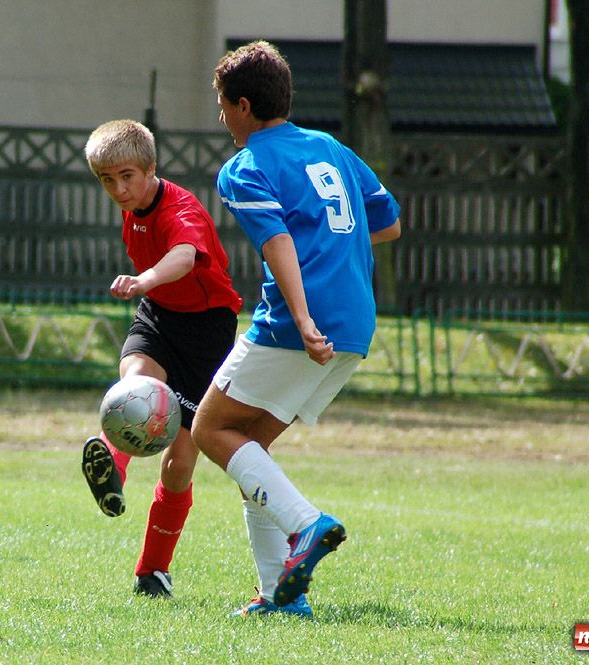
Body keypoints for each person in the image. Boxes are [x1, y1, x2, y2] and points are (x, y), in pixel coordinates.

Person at [191, 41, 402, 618]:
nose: (220, 116)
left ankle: (307, 526)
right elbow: (388, 222)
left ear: (242, 106)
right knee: (250, 451)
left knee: (210, 428)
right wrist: (334, 245)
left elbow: (278, 241)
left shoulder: (246, 167)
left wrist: (304, 320)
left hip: (298, 324)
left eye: (221, 104)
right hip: (356, 322)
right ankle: (279, 597)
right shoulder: (331, 147)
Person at [80, 119, 242, 598]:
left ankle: (152, 570)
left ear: (151, 169)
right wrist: (149, 289)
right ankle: (111, 469)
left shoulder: (180, 208)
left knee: (179, 462)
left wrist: (144, 279)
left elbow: (185, 256)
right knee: (134, 390)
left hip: (207, 331)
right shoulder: (133, 207)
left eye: (126, 177)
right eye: (107, 180)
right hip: (159, 315)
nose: (118, 189)